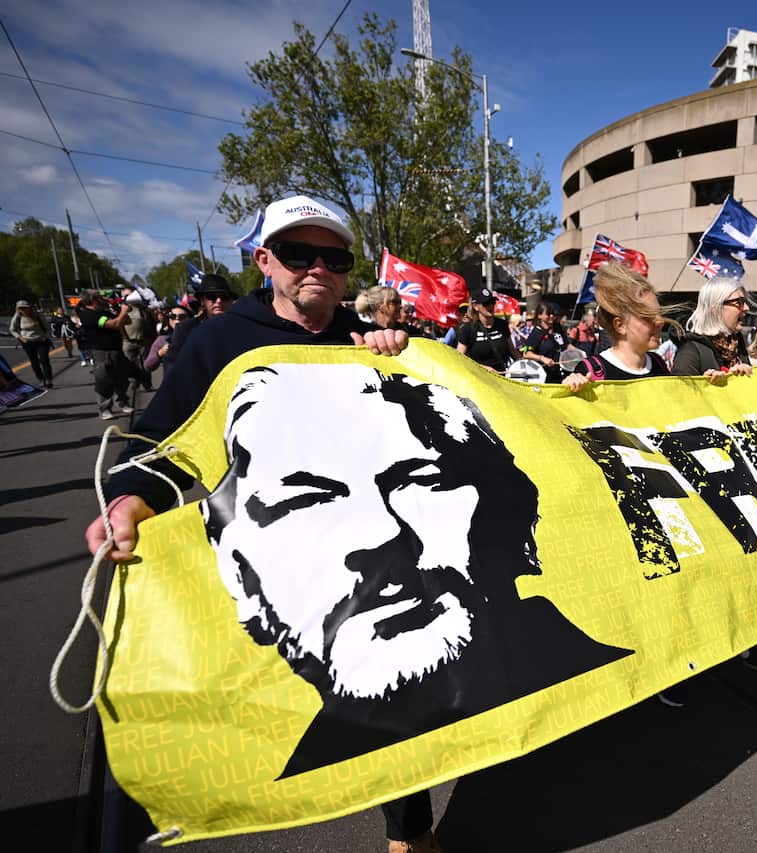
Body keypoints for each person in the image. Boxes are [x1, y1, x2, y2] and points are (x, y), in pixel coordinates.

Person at [82, 194, 421, 853]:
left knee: (399, 693)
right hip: (269, 558)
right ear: (266, 260)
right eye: (299, 253)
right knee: (269, 704)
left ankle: (411, 831)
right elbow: (165, 441)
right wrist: (129, 498)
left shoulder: (367, 339)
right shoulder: (219, 340)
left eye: (334, 256)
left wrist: (396, 357)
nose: (317, 267)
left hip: (366, 549)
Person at [204, 363, 631, 778]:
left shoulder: (610, 684)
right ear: (238, 568)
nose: (377, 534)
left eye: (420, 482)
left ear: (501, 510)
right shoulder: (282, 776)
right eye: (307, 501)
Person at [670, 277, 757, 677]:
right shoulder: (692, 353)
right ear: (718, 306)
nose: (746, 308)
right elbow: (670, 412)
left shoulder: (739, 349)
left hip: (739, 473)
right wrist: (706, 393)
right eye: (738, 302)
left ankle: (746, 639)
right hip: (705, 478)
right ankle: (691, 656)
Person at [562, 264, 671, 389]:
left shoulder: (658, 363)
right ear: (620, 325)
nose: (660, 321)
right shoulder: (591, 371)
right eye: (648, 316)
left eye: (658, 314)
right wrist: (571, 387)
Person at [670, 278, 757, 380]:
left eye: (745, 302)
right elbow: (680, 392)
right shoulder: (690, 352)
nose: (746, 308)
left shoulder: (736, 344)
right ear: (716, 309)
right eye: (739, 302)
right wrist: (708, 384)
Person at [77, 291, 133, 418]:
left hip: (116, 350)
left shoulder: (105, 312)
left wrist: (121, 311)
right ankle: (105, 409)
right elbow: (114, 324)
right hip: (102, 352)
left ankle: (123, 402)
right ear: (94, 300)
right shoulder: (88, 314)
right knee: (104, 380)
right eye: (100, 298)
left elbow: (127, 322)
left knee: (122, 378)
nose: (104, 299)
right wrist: (123, 312)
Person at [164, 274, 236, 367]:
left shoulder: (241, 328)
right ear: (202, 301)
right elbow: (171, 367)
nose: (219, 301)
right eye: (212, 297)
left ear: (231, 301)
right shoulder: (185, 330)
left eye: (224, 297)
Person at [456, 288, 517, 373]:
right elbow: (459, 358)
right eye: (486, 303)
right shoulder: (468, 329)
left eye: (492, 302)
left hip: (502, 378)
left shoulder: (502, 324)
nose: (491, 306)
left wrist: (526, 364)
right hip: (479, 378)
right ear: (475, 306)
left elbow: (513, 351)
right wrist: (484, 368)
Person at [10, 300, 55, 389]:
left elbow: (48, 328)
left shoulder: (38, 315)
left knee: (44, 360)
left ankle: (49, 380)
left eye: (24, 308)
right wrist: (20, 338)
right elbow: (12, 329)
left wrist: (45, 337)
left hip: (41, 340)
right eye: (20, 308)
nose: (23, 310)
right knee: (34, 361)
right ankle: (41, 379)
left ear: (29, 307)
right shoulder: (18, 316)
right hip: (27, 342)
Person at [522, 301, 569, 381]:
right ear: (540, 316)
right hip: (545, 375)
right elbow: (526, 353)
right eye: (548, 314)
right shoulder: (537, 332)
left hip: (562, 372)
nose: (551, 316)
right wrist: (542, 358)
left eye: (553, 314)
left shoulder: (557, 327)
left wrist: (579, 353)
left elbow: (566, 345)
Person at [143, 305, 191, 375]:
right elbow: (147, 366)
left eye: (182, 317)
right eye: (173, 316)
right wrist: (160, 353)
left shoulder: (196, 337)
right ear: (169, 320)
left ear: (189, 319)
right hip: (172, 384)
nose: (177, 319)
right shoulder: (162, 340)